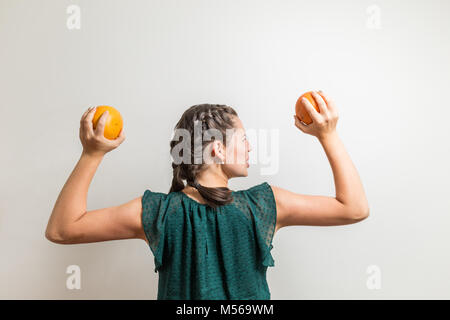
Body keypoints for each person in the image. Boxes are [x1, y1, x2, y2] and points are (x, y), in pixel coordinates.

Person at [45, 90, 369, 299]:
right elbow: (353, 208)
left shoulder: (159, 212)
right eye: (243, 139)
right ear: (217, 148)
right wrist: (328, 136)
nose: (250, 147)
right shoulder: (264, 205)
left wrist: (92, 153)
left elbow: (63, 228)